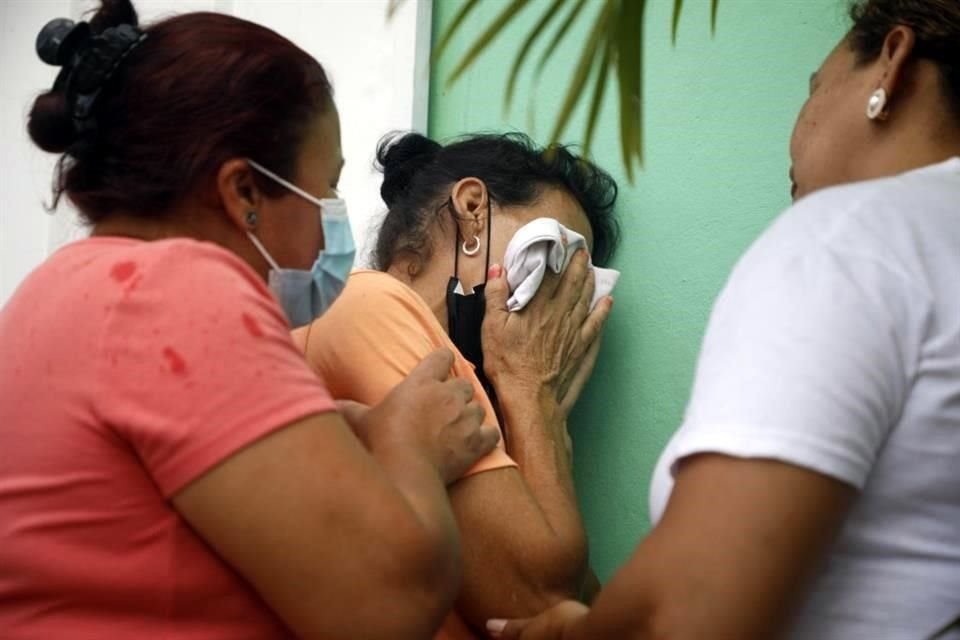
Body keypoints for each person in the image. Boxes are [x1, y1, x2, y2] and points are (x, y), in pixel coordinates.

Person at [0, 2, 502, 638]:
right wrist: (413, 446)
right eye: (325, 188)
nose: (331, 219)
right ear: (243, 193)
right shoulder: (176, 293)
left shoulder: (58, 290)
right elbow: (386, 606)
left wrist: (358, 433)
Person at [489, 0, 960, 638]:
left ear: (892, 63)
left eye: (813, 89)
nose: (793, 135)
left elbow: (690, 612)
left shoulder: (850, 237)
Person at [293, 132, 620, 638]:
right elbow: (539, 597)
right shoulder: (368, 302)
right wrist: (532, 391)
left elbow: (586, 614)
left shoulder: (470, 405)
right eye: (552, 256)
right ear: (472, 209)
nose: (556, 300)